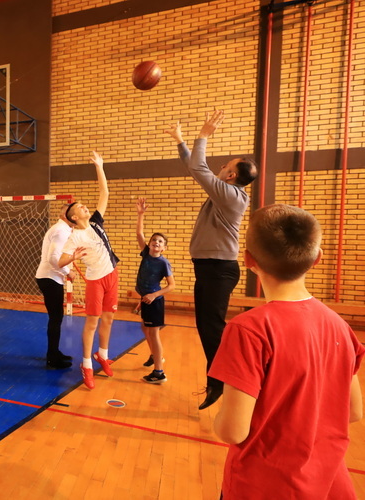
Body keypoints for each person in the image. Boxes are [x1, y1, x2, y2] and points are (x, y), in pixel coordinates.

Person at [210, 204, 364, 499]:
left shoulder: (249, 329)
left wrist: (219, 417)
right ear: (317, 258)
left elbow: (233, 431)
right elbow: (353, 411)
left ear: (248, 260)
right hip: (328, 483)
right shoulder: (340, 326)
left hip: (263, 487)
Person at [165, 110, 258, 409]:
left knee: (212, 328)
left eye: (227, 165)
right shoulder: (224, 192)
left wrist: (203, 135)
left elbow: (199, 167)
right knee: (207, 327)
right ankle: (219, 380)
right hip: (209, 269)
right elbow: (195, 167)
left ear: (231, 176)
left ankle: (225, 382)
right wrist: (180, 141)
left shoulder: (232, 195)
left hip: (219, 270)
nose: (222, 166)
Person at [59, 151, 120, 389]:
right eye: (81, 207)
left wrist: (100, 166)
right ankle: (86, 365)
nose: (85, 207)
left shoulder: (96, 222)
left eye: (85, 206)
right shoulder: (74, 236)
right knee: (92, 323)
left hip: (112, 275)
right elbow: (60, 262)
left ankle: (102, 355)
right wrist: (72, 257)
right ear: (74, 216)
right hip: (96, 281)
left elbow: (105, 193)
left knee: (109, 319)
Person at [134, 197, 175, 384]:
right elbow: (139, 232)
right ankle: (154, 355)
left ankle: (159, 372)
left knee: (153, 333)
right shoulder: (145, 254)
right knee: (145, 328)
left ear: (164, 248)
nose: (156, 242)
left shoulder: (163, 262)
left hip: (154, 301)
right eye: (154, 240)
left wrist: (153, 295)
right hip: (145, 299)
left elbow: (171, 285)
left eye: (160, 241)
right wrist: (140, 214)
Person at [35, 204, 75, 369]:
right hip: (49, 278)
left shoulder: (64, 230)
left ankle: (54, 352)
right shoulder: (60, 231)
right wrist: (68, 272)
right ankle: (52, 357)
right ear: (67, 216)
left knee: (56, 318)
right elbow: (53, 258)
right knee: (56, 318)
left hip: (51, 278)